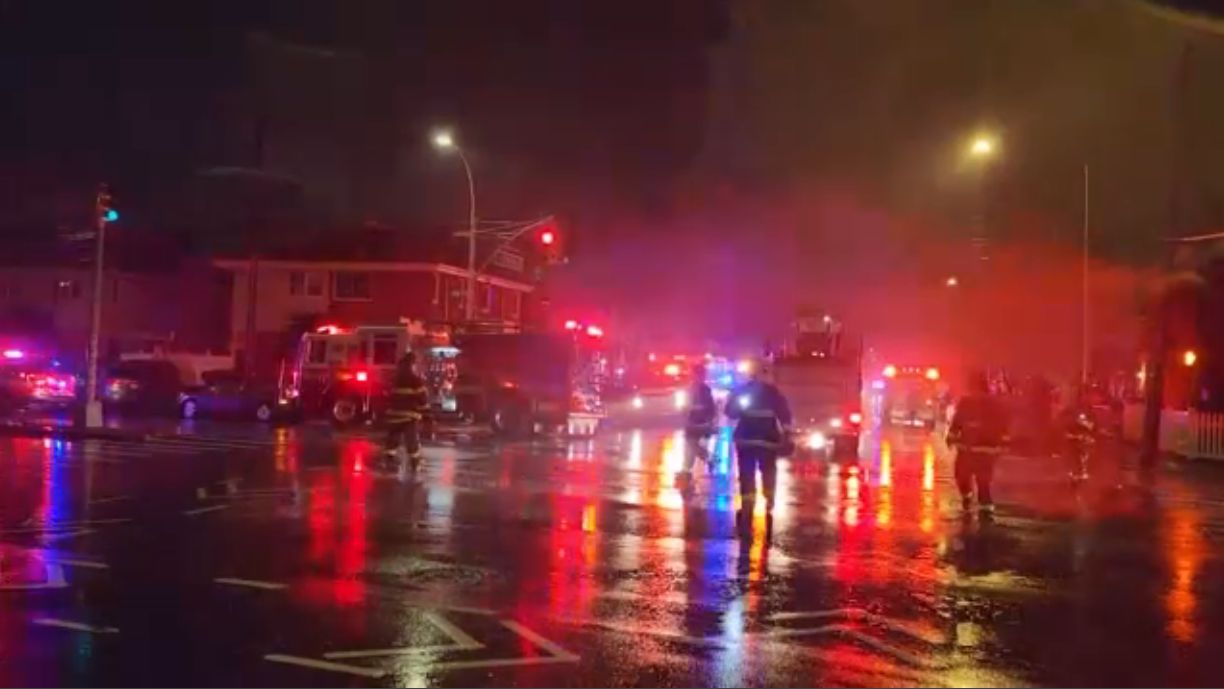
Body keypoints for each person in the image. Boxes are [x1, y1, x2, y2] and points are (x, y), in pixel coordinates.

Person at [724, 359, 792, 533]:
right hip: (767, 442)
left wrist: (740, 405)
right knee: (768, 472)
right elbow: (785, 415)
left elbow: (730, 412)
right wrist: (787, 436)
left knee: (747, 474)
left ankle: (748, 505)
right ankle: (768, 502)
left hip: (746, 441)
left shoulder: (742, 391)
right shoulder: (773, 394)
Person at [947, 371, 1010, 518]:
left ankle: (980, 506)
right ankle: (978, 504)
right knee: (974, 478)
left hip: (976, 450)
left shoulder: (980, 403)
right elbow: (958, 422)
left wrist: (951, 437)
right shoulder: (972, 403)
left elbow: (957, 422)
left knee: (974, 478)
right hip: (975, 449)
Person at [384, 351, 429, 471]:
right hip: (409, 416)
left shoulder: (395, 379)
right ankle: (415, 463)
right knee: (411, 440)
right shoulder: (415, 380)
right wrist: (427, 415)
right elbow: (423, 399)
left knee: (393, 439)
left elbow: (388, 395)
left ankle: (389, 460)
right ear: (412, 364)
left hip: (393, 415)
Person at [677, 362, 717, 490]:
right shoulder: (689, 388)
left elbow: (710, 407)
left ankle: (688, 472)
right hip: (691, 422)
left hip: (700, 423)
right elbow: (684, 405)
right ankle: (689, 471)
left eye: (697, 375)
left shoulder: (705, 390)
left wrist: (709, 420)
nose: (694, 377)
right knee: (691, 447)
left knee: (692, 445)